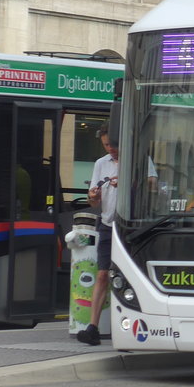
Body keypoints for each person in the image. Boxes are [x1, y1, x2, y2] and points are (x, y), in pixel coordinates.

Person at [78, 127, 118, 344]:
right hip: (106, 223)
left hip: (129, 226)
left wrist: (128, 183)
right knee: (102, 274)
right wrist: (93, 196)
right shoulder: (101, 163)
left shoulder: (136, 157)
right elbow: (93, 202)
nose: (110, 149)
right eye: (105, 145)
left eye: (112, 144)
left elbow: (152, 185)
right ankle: (92, 327)